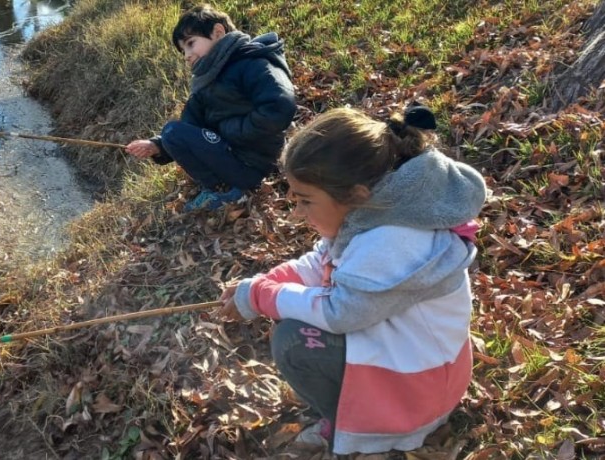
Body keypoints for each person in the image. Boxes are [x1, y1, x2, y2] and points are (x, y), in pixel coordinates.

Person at [216, 105, 487, 454]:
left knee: (294, 339)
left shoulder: (390, 240)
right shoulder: (378, 211)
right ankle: (357, 410)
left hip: (418, 396)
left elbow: (340, 312)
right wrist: (264, 282)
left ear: (355, 194)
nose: (298, 213)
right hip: (418, 366)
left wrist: (262, 297)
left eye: (306, 201)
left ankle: (362, 430)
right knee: (292, 313)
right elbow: (322, 260)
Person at [125, 4, 296, 211]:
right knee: (171, 132)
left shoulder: (254, 63)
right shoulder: (206, 83)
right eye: (183, 51)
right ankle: (218, 187)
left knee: (173, 131)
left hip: (254, 163)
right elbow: (190, 127)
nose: (187, 55)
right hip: (231, 156)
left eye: (190, 43)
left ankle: (230, 191)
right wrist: (157, 146)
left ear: (217, 32)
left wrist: (230, 132)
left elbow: (279, 106)